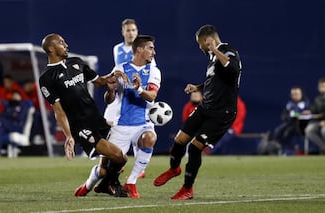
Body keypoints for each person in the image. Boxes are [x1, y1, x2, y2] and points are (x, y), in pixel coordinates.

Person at [153, 24, 242, 200]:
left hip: (221, 113)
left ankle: (187, 189)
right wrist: (198, 87)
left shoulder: (229, 51)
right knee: (180, 140)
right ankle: (174, 168)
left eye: (200, 43)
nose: (200, 47)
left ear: (207, 40)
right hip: (205, 107)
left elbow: (233, 70)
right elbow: (215, 80)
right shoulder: (213, 58)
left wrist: (215, 49)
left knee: (195, 148)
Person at [75, 35, 161, 199]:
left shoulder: (154, 71)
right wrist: (111, 90)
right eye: (150, 48)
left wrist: (139, 89)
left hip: (143, 124)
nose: (153, 52)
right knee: (103, 169)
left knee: (150, 138)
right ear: (139, 50)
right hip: (120, 125)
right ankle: (88, 185)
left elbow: (151, 96)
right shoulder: (120, 68)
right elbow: (109, 99)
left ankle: (131, 183)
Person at [39, 34, 127, 190]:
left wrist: (112, 77)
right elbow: (58, 111)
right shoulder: (47, 78)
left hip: (97, 119)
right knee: (119, 156)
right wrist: (69, 136)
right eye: (61, 43)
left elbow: (99, 81)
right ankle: (110, 184)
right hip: (81, 127)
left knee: (120, 159)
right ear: (51, 49)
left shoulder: (77, 63)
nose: (66, 45)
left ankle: (99, 184)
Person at [0, 91, 31, 156]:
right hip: (9, 126)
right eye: (14, 96)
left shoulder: (24, 105)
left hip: (18, 126)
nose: (15, 97)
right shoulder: (10, 105)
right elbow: (2, 114)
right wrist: (12, 114)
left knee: (0, 121)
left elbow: (20, 117)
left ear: (20, 97)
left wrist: (10, 114)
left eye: (17, 96)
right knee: (0, 128)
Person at [269, 86, 310, 153]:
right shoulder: (290, 104)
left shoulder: (306, 103)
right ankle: (279, 149)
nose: (295, 96)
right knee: (278, 131)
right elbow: (284, 114)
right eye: (293, 94)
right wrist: (286, 116)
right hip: (289, 123)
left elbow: (305, 114)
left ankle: (292, 151)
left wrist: (297, 115)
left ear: (301, 94)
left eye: (296, 94)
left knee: (287, 133)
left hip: (301, 125)